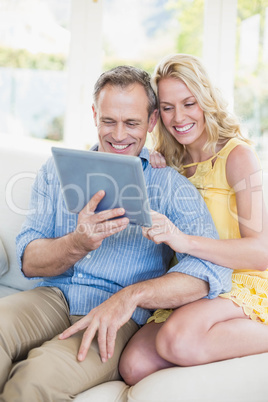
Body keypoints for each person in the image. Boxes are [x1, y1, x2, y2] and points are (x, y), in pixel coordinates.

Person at [0, 65, 231, 401]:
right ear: (94, 114)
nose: (119, 135)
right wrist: (76, 243)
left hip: (115, 317)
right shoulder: (56, 170)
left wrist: (131, 297)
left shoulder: (169, 186)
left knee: (34, 381)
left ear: (152, 122)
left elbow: (207, 271)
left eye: (132, 123)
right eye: (109, 121)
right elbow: (29, 261)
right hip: (51, 297)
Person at [119, 54, 268, 386]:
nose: (179, 117)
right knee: (135, 366)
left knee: (179, 341)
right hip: (193, 282)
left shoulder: (237, 156)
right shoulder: (167, 160)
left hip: (240, 281)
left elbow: (260, 252)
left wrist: (183, 241)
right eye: (168, 107)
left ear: (206, 101)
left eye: (189, 103)